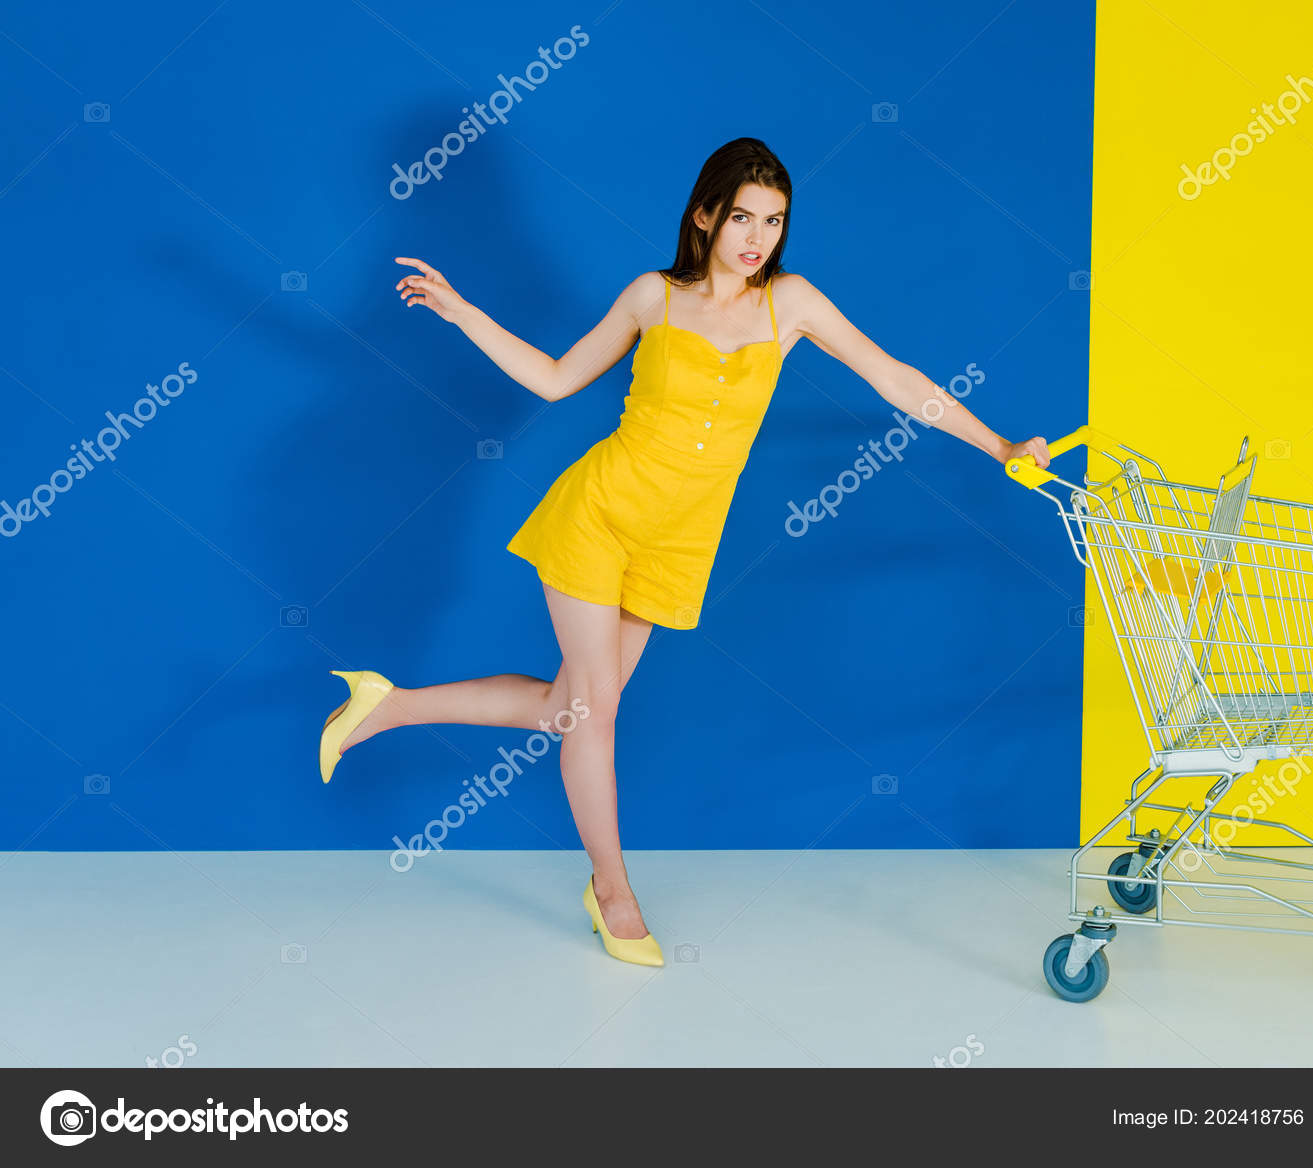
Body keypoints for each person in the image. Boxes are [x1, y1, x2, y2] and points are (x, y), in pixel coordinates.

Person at [319, 137, 1052, 967]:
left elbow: (897, 379)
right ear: (705, 215)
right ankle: (612, 890)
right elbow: (558, 379)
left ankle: (390, 706)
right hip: (599, 514)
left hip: (679, 544)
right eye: (741, 216)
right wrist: (464, 313)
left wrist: (998, 445)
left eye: (773, 221)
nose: (757, 238)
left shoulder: (793, 305)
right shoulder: (652, 297)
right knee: (596, 714)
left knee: (568, 710)